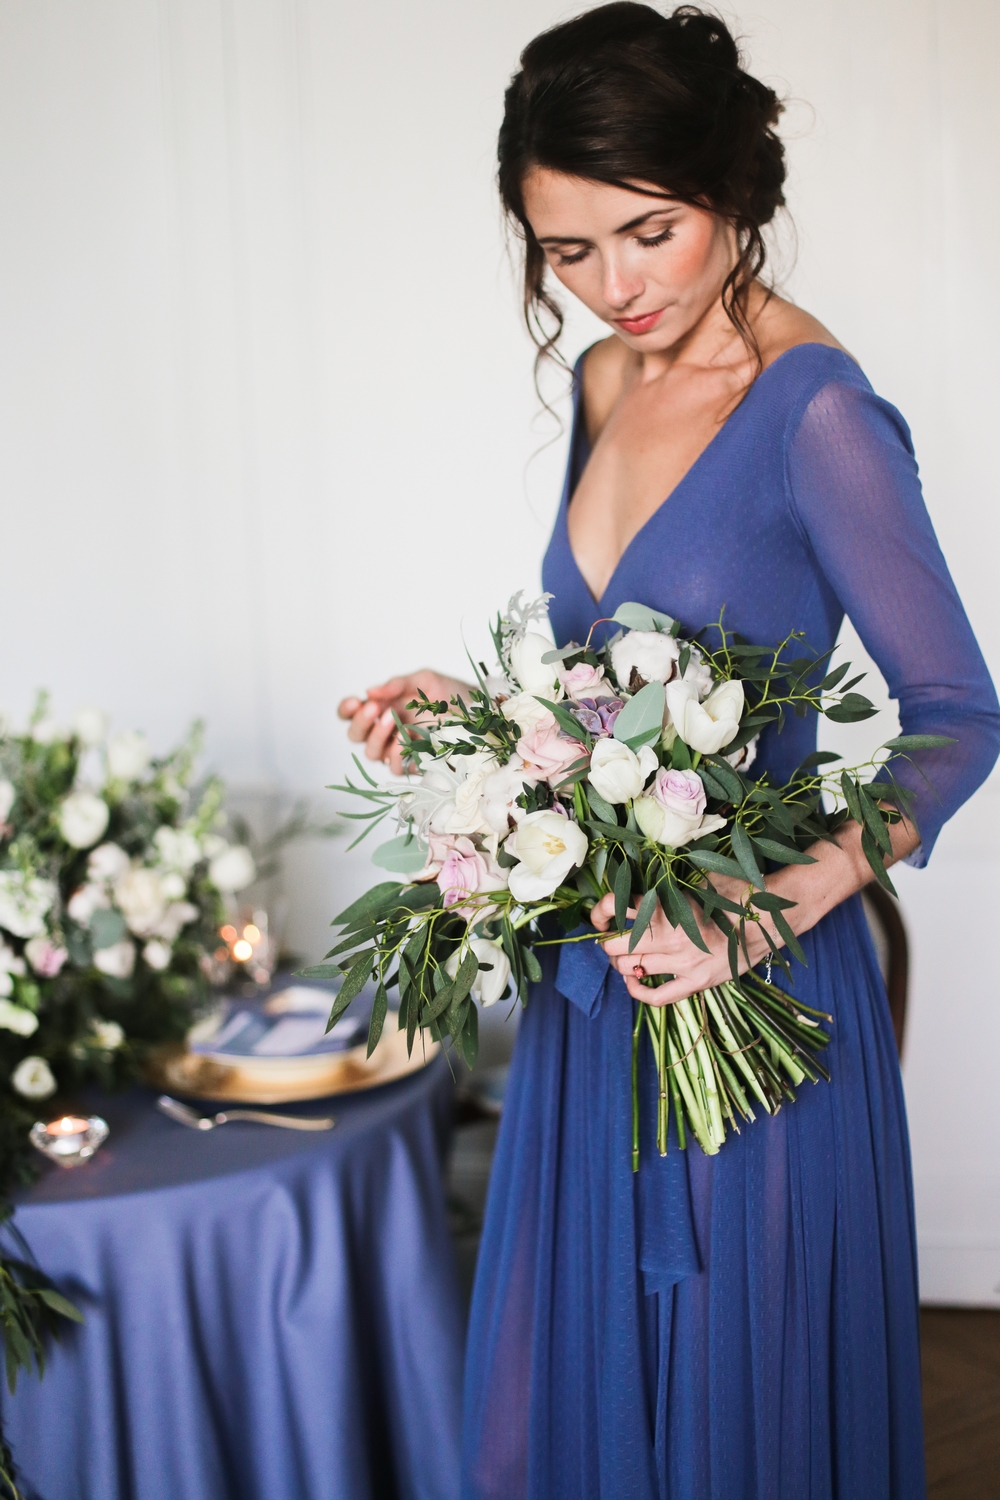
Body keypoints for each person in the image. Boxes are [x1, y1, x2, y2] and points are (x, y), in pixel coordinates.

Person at [338, 6, 1000, 1496]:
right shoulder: (602, 382)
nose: (617, 286)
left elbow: (960, 715)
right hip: (602, 993)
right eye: (569, 251)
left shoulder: (819, 415)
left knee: (733, 1405)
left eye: (650, 232)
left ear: (733, 189)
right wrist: (476, 723)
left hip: (755, 993)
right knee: (587, 1400)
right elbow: (612, 678)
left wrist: (762, 908)